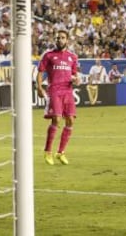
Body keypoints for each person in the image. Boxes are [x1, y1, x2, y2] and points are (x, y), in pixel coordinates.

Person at [36, 29, 80, 165]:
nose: (59, 40)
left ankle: (60, 152)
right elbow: (40, 72)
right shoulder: (49, 55)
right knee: (57, 119)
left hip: (68, 91)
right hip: (54, 90)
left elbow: (74, 75)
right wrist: (39, 86)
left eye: (62, 38)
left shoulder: (72, 57)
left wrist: (76, 80)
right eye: (57, 38)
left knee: (71, 121)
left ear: (67, 40)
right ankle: (47, 151)